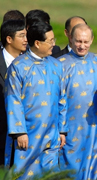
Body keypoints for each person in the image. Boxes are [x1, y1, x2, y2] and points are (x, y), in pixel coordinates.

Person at [4, 21, 67, 179]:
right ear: (37, 43)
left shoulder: (56, 65)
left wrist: (62, 130)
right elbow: (13, 100)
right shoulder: (18, 67)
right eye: (50, 41)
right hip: (27, 136)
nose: (54, 44)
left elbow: (62, 99)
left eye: (54, 39)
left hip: (51, 135)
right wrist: (19, 132)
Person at [57, 24, 97, 180]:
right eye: (78, 41)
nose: (82, 46)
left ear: (92, 40)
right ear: (70, 38)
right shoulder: (59, 65)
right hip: (70, 131)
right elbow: (57, 101)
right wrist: (60, 130)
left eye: (86, 42)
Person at [0, 19, 27, 166]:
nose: (26, 40)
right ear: (9, 39)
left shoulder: (28, 63)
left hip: (23, 140)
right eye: (22, 36)